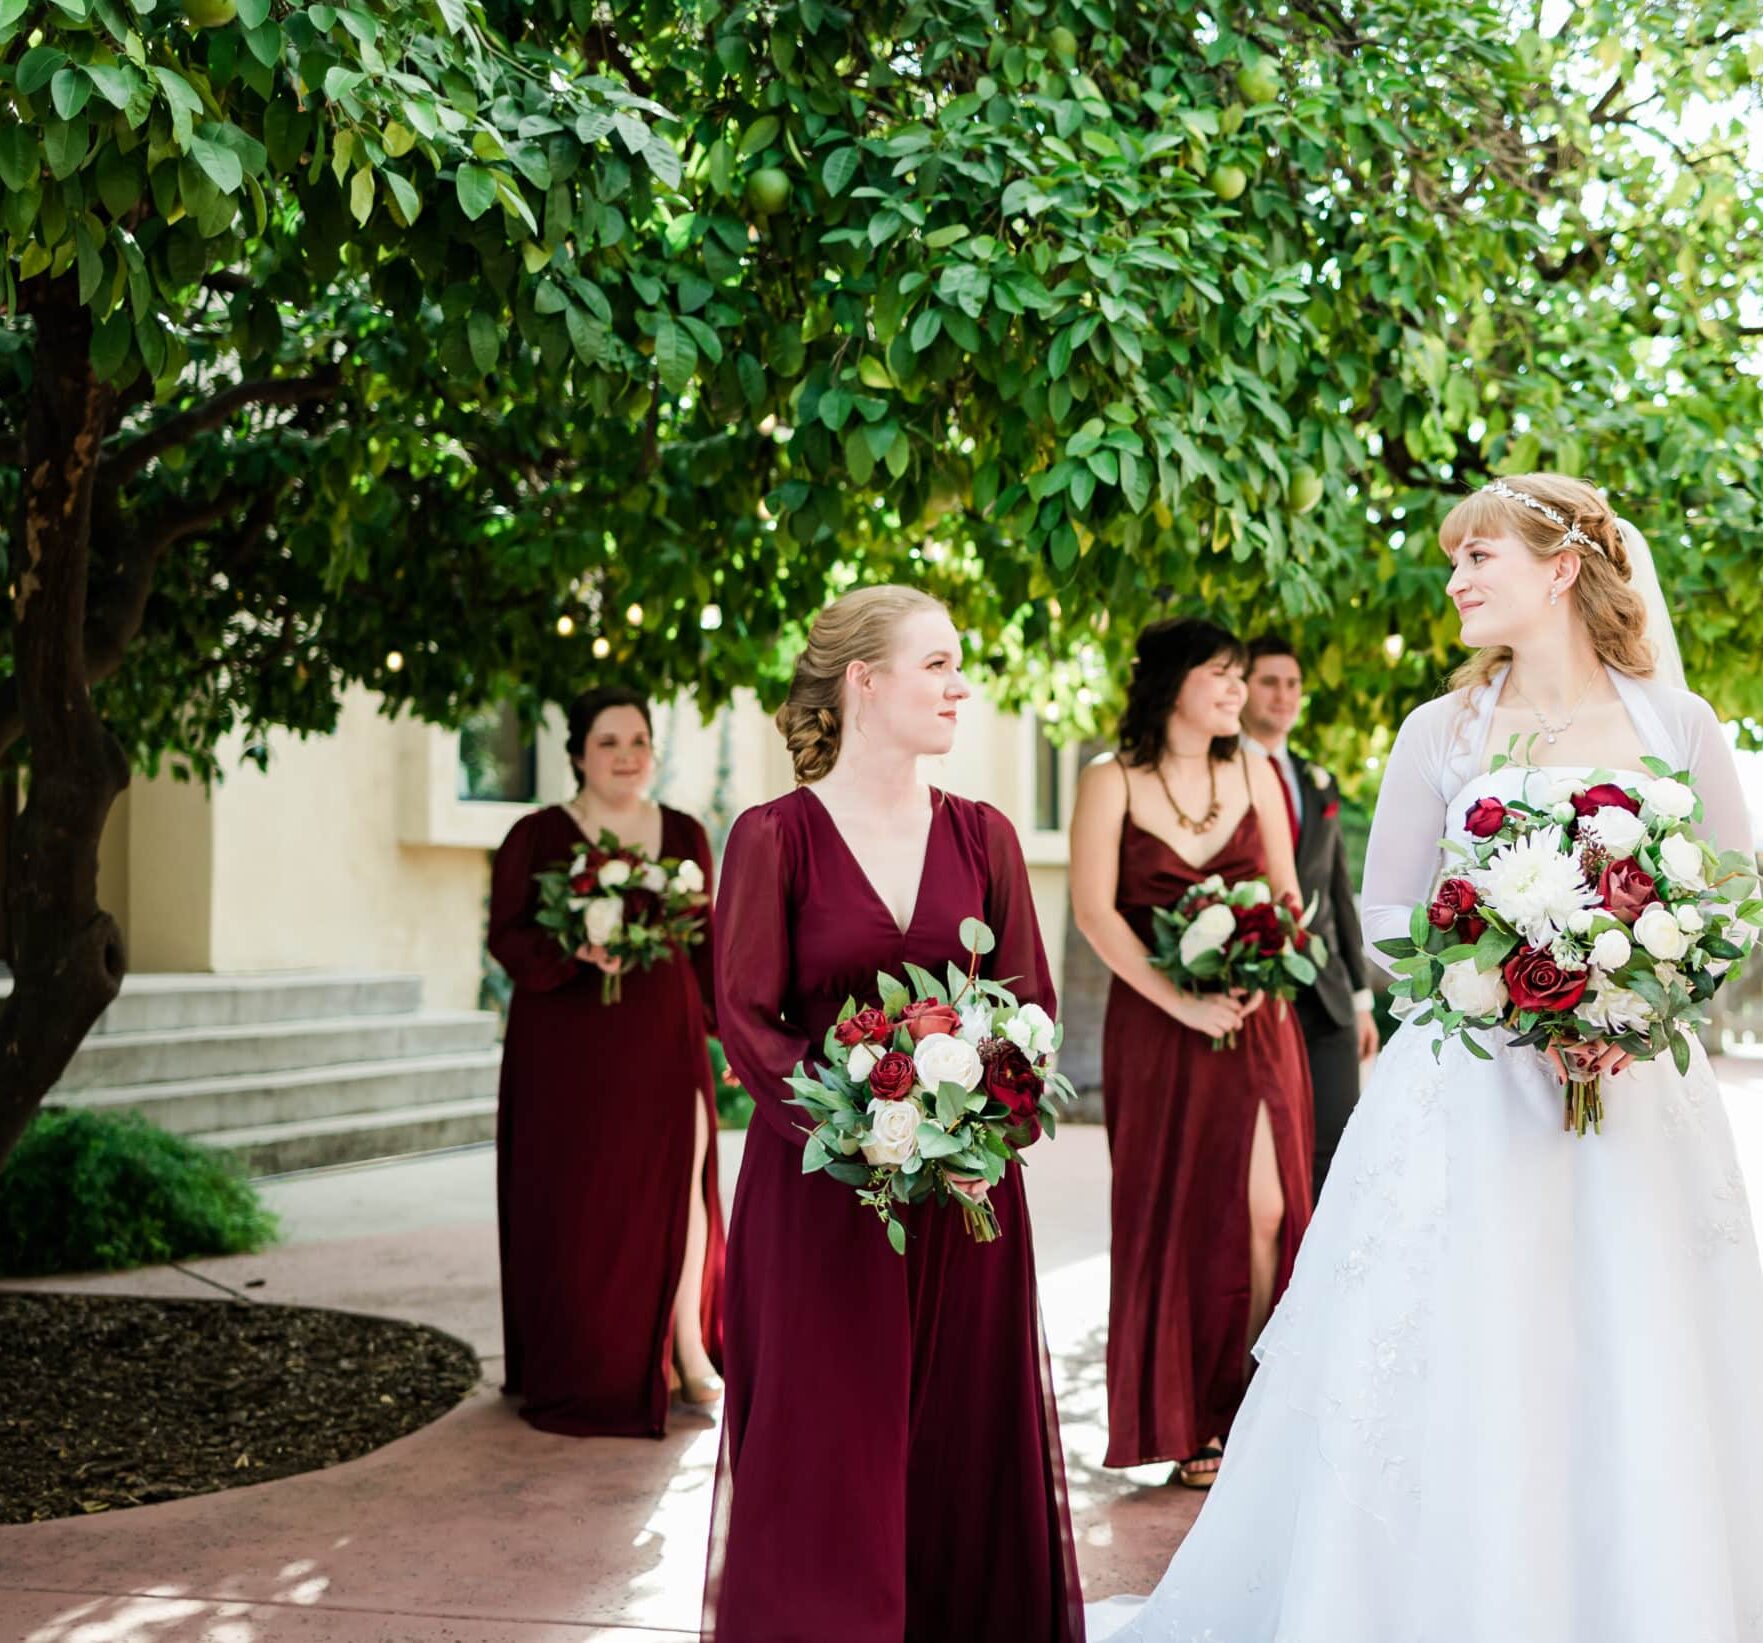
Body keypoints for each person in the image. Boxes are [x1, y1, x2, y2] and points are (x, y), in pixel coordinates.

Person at [1089, 476, 1763, 1642]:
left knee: (1626, 1335)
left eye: (1475, 558)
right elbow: (1389, 920)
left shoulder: (1671, 724)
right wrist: (1513, 1000)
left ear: (1559, 569)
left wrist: (1625, 1005)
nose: (1454, 582)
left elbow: (1730, 905)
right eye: (1453, 564)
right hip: (1473, 1090)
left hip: (1636, 1096)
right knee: (1470, 1339)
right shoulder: (1440, 733)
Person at [703, 586, 1083, 1643]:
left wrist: (981, 1133)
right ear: (862, 681)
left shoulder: (984, 835)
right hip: (823, 1196)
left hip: (965, 1201)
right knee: (826, 1443)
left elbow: (1030, 1011)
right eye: (936, 664)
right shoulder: (774, 837)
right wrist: (859, 1129)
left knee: (962, 1437)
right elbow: (745, 1017)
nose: (960, 685)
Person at [1069, 617, 1314, 1491]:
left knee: (1266, 1208)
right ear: (1172, 682)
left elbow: (1286, 896)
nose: (1237, 691)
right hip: (1157, 1031)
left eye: (1240, 676)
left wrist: (1258, 973)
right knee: (1174, 1213)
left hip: (1256, 1022)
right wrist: (1181, 999)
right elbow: (1096, 914)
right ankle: (1193, 1420)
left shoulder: (1253, 768)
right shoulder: (1108, 780)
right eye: (1219, 675)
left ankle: (1253, 1404)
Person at [488, 685, 724, 1437]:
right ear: (577, 755)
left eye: (639, 740)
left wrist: (732, 1033)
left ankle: (686, 1342)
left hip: (664, 1031)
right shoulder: (538, 834)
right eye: (609, 742)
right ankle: (581, 1353)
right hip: (567, 1043)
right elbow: (506, 934)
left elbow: (709, 942)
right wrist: (570, 948)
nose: (627, 756)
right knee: (576, 1197)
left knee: (681, 1176)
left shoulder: (685, 833)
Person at [1239, 634, 1379, 1187]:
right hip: (1256, 991)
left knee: (1336, 1154)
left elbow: (1339, 894)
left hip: (1328, 999)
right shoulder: (1219, 776)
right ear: (1243, 689)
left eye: (1293, 684)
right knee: (1268, 1163)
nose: (1283, 695)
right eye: (1269, 682)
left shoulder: (1316, 778)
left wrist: (1362, 999)